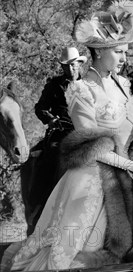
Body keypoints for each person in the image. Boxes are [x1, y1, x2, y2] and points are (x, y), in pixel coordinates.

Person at [3, 0, 133, 272]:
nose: (124, 58)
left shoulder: (123, 86)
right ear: (99, 52)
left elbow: (126, 139)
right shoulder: (81, 90)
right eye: (118, 52)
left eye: (125, 52)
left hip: (118, 179)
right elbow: (93, 147)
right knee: (74, 249)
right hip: (89, 182)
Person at [24, 47, 87, 230]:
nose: (70, 69)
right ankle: (38, 205)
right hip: (61, 131)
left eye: (73, 65)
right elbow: (40, 107)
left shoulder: (90, 85)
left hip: (85, 131)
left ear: (79, 64)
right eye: (66, 66)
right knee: (49, 160)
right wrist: (50, 119)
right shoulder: (54, 85)